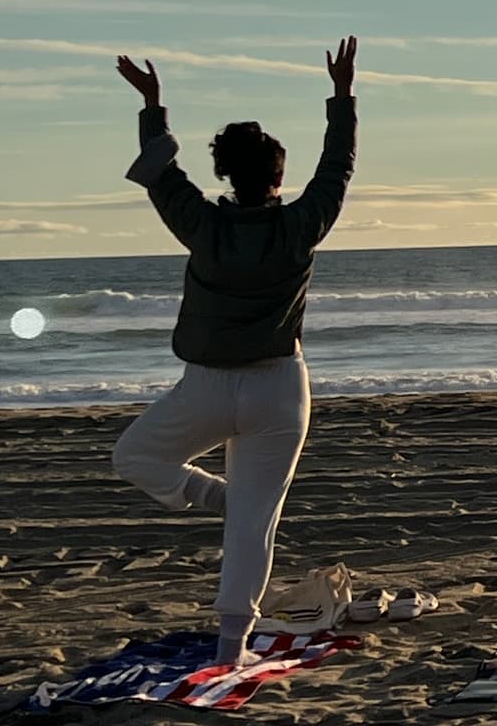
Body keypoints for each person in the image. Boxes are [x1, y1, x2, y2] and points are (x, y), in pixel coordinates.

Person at [108, 38, 358, 665]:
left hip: (209, 387)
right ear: (278, 177)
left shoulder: (202, 225)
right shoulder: (302, 225)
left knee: (135, 457)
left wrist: (154, 106)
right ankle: (230, 645)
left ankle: (220, 504)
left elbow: (161, 173)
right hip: (278, 387)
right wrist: (341, 95)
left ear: (226, 175)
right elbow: (338, 167)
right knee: (251, 525)